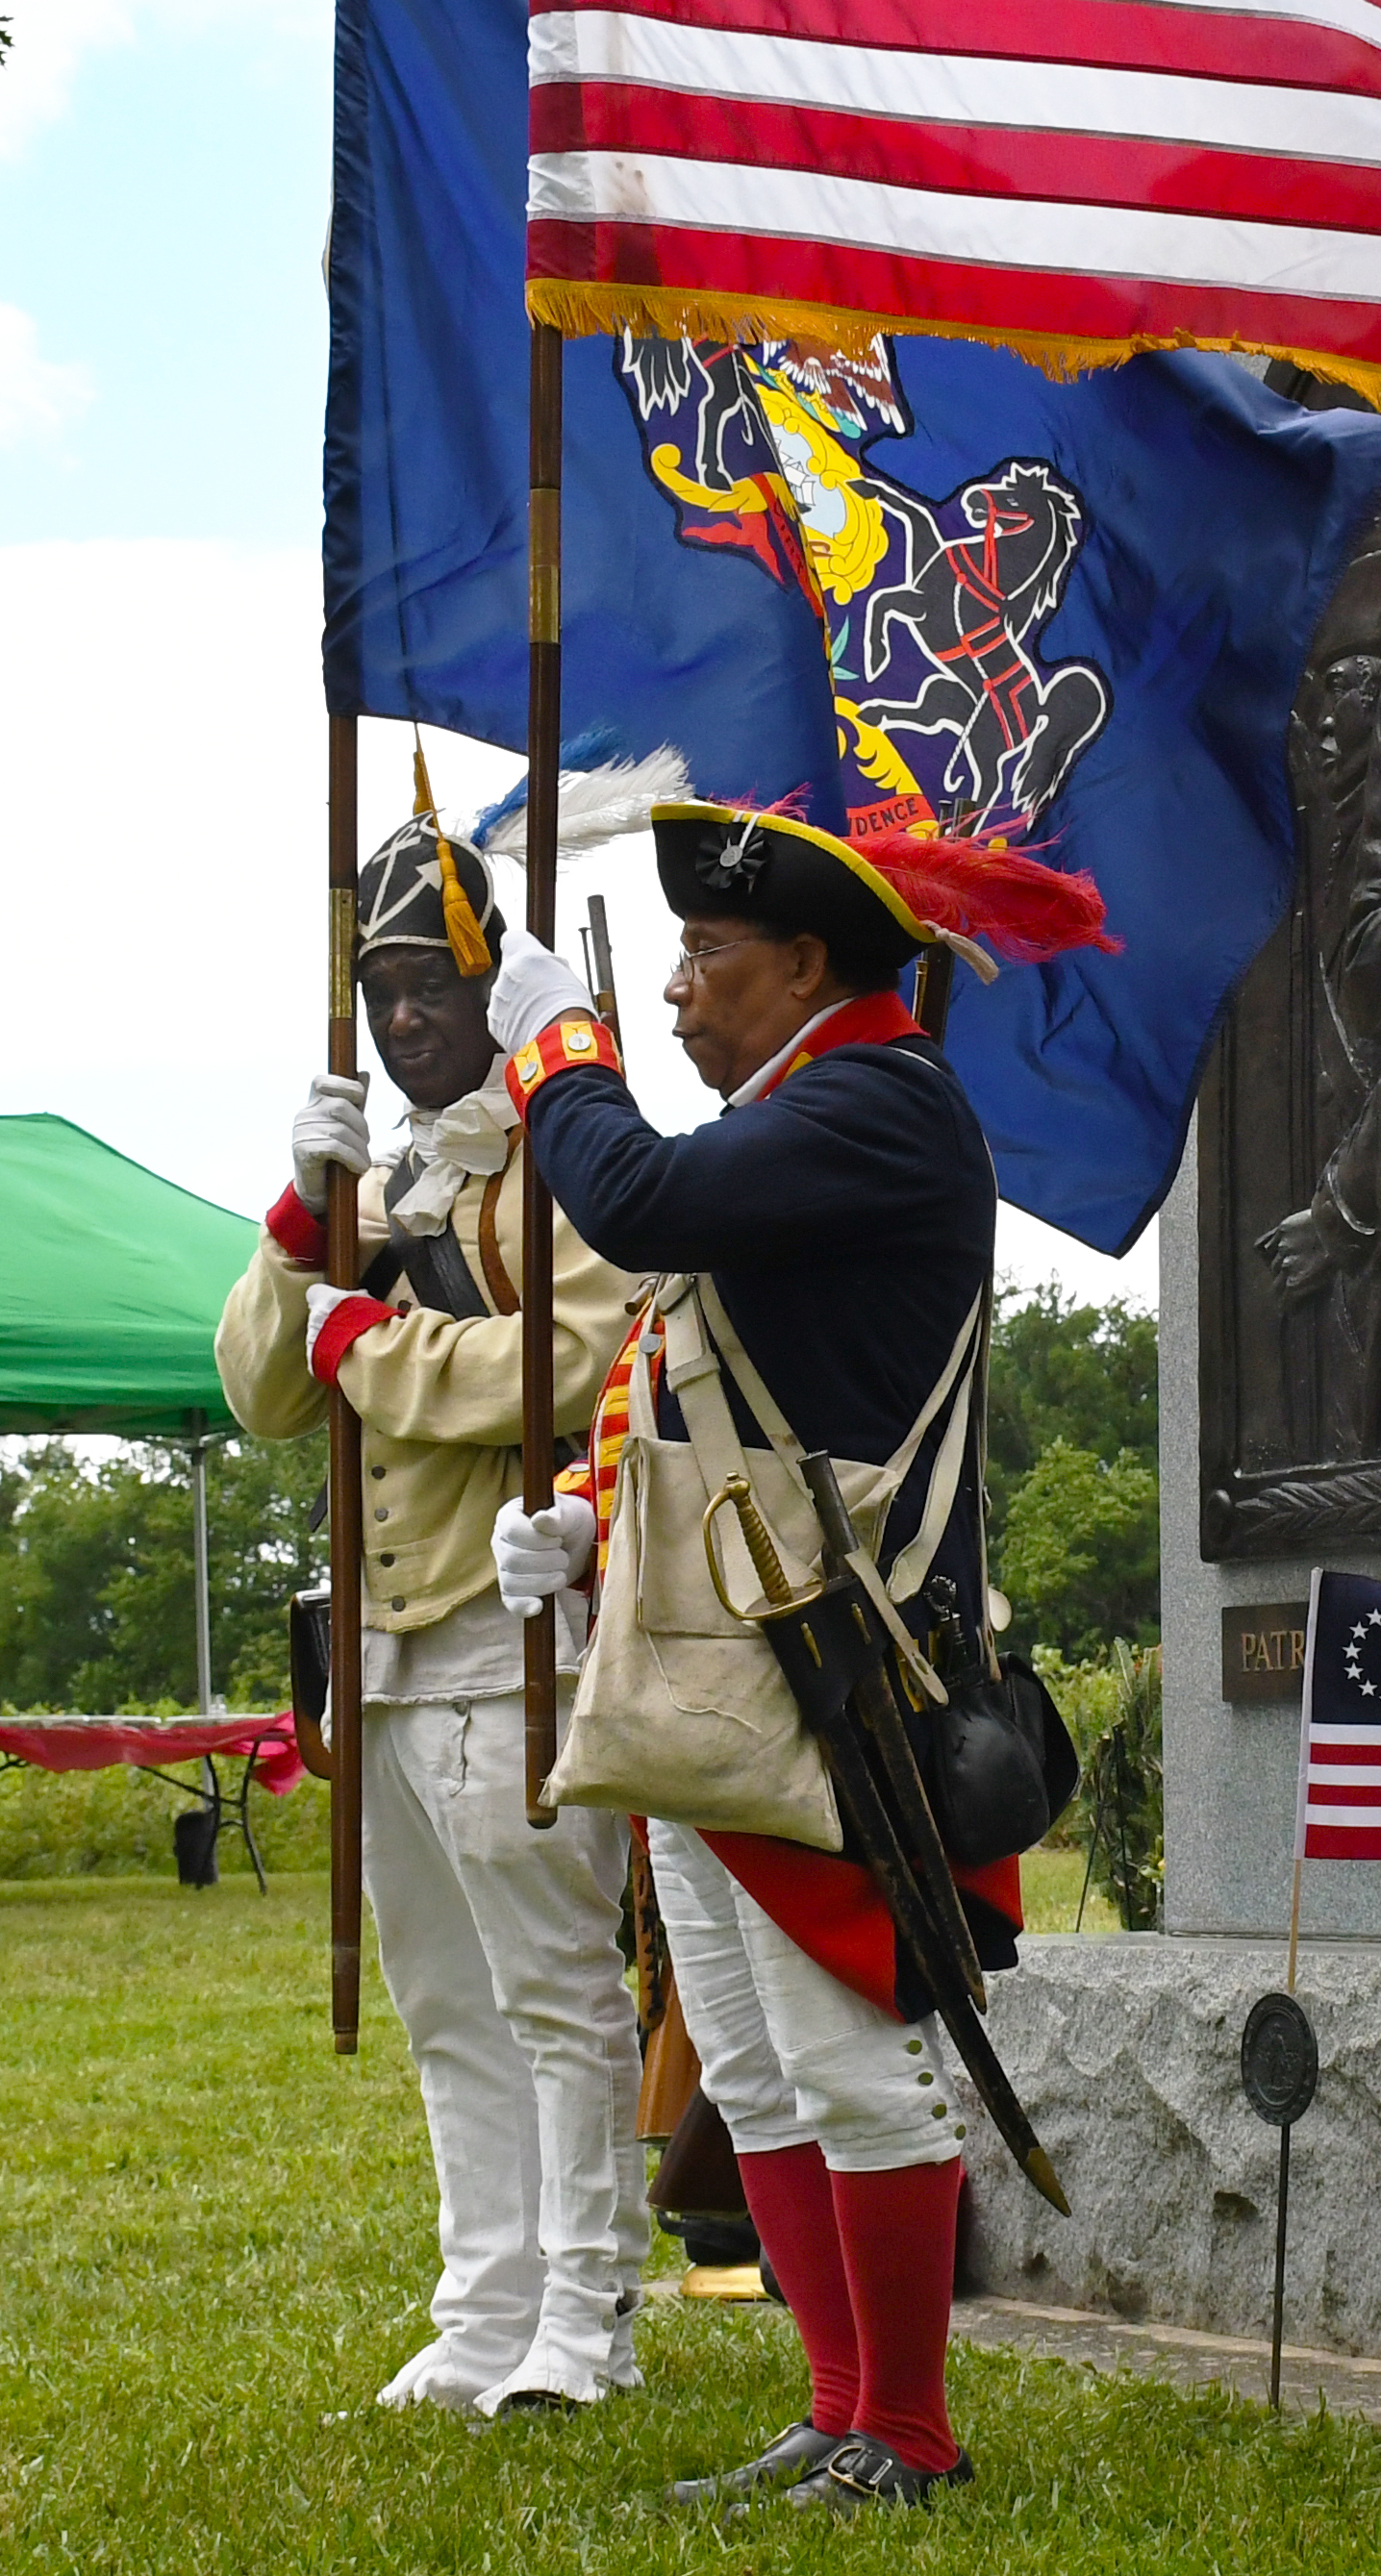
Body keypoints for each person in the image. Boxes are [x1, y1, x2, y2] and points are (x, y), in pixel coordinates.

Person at [488, 800, 1074, 2513]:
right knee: (744, 2059)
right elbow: (707, 1382)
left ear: (805, 962)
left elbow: (639, 1194)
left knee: (844, 2055)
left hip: (839, 1660)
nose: (674, 992)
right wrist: (596, 1521)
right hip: (734, 1651)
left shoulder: (877, 1102)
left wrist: (558, 1052)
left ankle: (906, 2430)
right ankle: (836, 2410)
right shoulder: (804, 1116)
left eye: (705, 955)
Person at [217, 810, 644, 2419]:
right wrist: (293, 1215)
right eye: (381, 989)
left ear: (492, 985)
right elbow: (257, 1385)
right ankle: (484, 2310)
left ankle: (587, 2319)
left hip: (506, 1622)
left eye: (432, 985)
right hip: (383, 1647)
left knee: (551, 1991)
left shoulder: (565, 1156)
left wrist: (363, 1348)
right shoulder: (374, 1175)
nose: (405, 1018)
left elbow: (574, 1358)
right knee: (447, 2005)